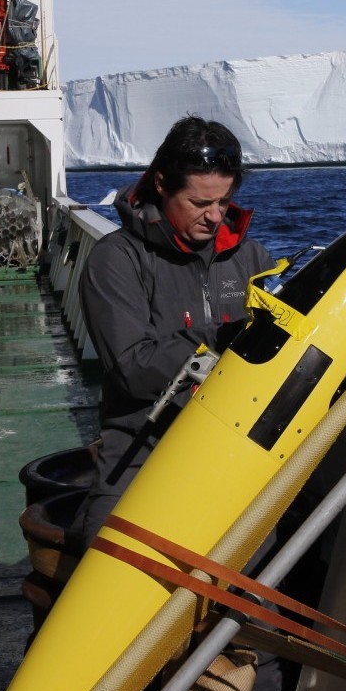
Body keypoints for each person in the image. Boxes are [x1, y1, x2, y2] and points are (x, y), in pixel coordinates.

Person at [76, 114, 276, 545]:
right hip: (141, 452)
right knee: (101, 569)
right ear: (162, 185)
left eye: (223, 202)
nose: (215, 217)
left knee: (257, 583)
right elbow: (132, 368)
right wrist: (224, 338)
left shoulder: (251, 258)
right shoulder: (116, 261)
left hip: (233, 454)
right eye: (200, 203)